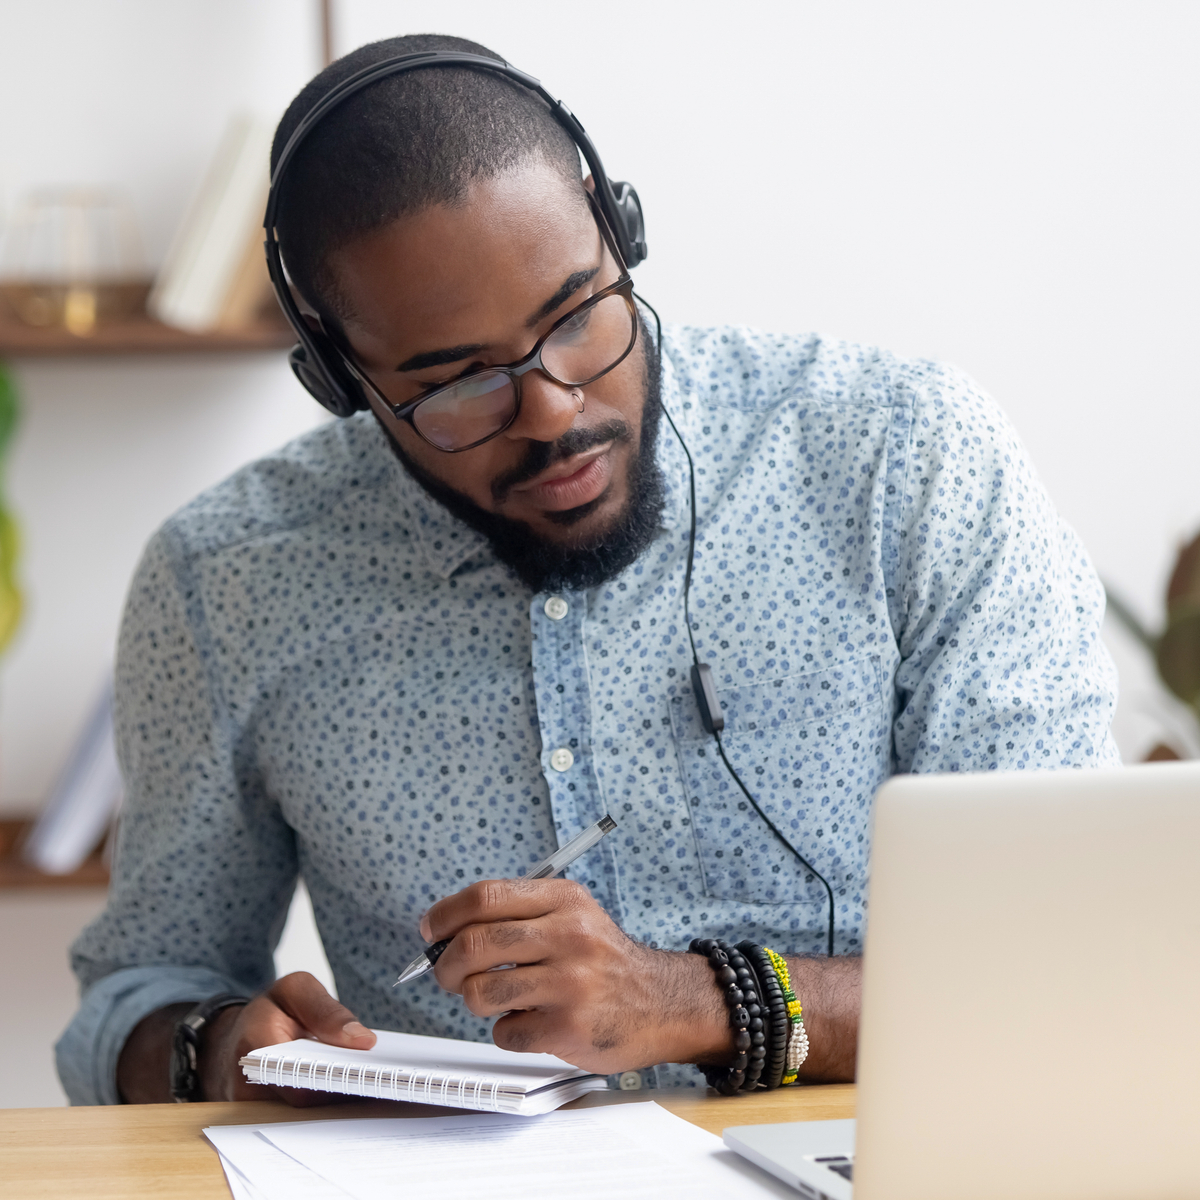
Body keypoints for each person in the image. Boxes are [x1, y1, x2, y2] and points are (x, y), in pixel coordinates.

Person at [56, 33, 1119, 1106]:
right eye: (457, 382)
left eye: (576, 317)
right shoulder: (224, 580)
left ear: (622, 233)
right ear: (340, 379)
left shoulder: (906, 459)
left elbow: (1074, 960)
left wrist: (694, 1002)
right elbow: (137, 994)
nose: (553, 409)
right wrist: (216, 1047)